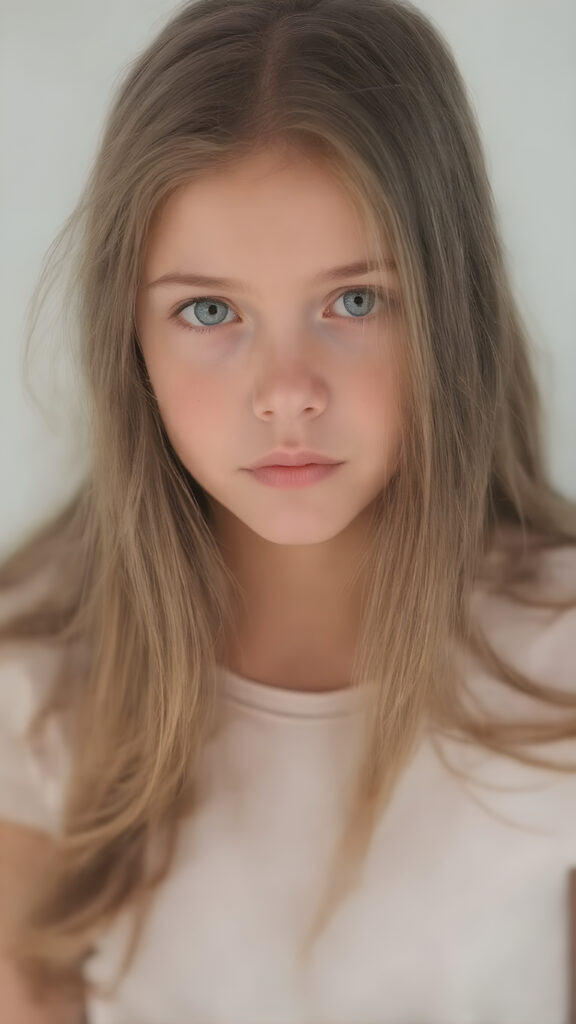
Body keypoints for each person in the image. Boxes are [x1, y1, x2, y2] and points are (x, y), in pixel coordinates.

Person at [1, 0, 575, 1021]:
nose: (287, 391)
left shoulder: (558, 658)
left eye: (355, 301)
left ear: (451, 309)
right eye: (210, 311)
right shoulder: (36, 682)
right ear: (128, 338)